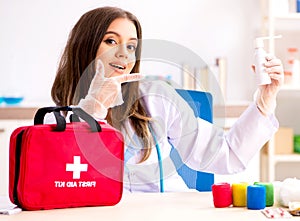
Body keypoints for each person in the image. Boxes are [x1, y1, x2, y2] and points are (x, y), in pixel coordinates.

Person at [51, 6, 284, 193]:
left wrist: (264, 101)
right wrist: (94, 108)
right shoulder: (61, 117)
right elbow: (65, 184)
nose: (124, 53)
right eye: (111, 41)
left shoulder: (155, 98)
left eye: (131, 46)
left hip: (166, 211)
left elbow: (227, 155)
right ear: (85, 47)